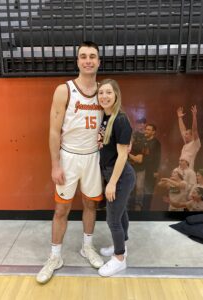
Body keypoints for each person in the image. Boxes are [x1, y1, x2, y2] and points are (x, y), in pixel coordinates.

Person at [36, 41, 104, 284]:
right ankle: (55, 257)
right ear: (77, 61)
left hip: (93, 157)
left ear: (99, 61)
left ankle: (87, 247)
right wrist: (55, 165)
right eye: (83, 56)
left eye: (92, 56)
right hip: (69, 157)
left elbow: (112, 122)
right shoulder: (64, 89)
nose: (88, 60)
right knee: (61, 209)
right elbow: (54, 131)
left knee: (90, 204)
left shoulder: (105, 90)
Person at [97, 79, 136, 277]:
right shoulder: (106, 116)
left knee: (112, 219)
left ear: (116, 95)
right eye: (101, 92)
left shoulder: (120, 119)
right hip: (113, 173)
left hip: (119, 176)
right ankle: (122, 245)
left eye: (108, 92)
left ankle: (119, 258)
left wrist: (111, 183)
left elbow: (122, 155)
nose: (104, 96)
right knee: (120, 215)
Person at [128, 117, 146, 211]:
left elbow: (141, 157)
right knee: (129, 186)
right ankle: (128, 204)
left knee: (139, 187)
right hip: (130, 165)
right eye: (139, 123)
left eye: (143, 123)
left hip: (140, 166)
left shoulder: (146, 137)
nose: (141, 125)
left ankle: (138, 205)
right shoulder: (132, 134)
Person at [142, 124, 161, 210]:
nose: (146, 131)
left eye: (149, 130)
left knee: (148, 191)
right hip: (141, 170)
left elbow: (158, 157)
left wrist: (155, 171)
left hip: (150, 171)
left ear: (153, 132)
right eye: (146, 129)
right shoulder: (142, 141)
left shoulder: (156, 143)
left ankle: (145, 210)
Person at [177, 105, 201, 170]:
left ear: (192, 136)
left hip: (188, 169)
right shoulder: (186, 144)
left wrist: (194, 116)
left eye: (187, 134)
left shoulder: (195, 143)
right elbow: (182, 130)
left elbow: (195, 130)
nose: (185, 135)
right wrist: (180, 118)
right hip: (180, 168)